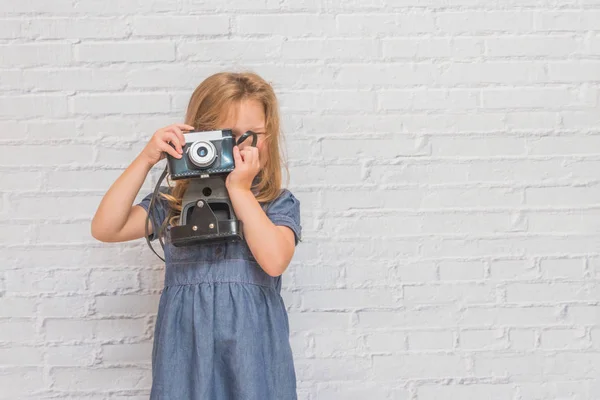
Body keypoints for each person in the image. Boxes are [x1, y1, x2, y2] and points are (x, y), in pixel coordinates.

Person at [91, 72, 301, 399]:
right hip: (185, 352)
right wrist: (147, 159)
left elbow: (274, 261)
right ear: (201, 137)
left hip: (253, 354)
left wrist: (240, 190)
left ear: (268, 137)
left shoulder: (275, 203)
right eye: (228, 135)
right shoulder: (175, 205)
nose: (242, 144)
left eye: (253, 134)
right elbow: (107, 227)